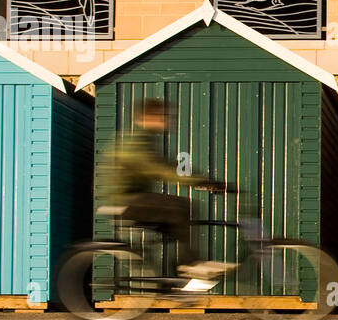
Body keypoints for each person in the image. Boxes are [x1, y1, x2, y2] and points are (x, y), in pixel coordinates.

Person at [100, 98, 236, 291]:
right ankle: (190, 265)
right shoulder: (136, 142)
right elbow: (159, 170)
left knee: (178, 220)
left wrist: (204, 180)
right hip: (124, 202)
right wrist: (201, 181)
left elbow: (167, 167)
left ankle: (178, 276)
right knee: (181, 207)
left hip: (133, 200)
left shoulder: (146, 140)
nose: (167, 121)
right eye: (162, 117)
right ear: (148, 118)